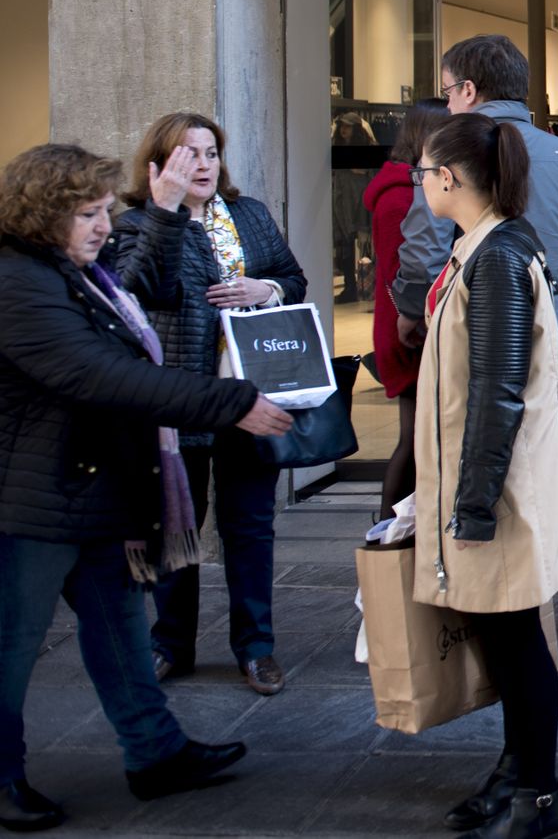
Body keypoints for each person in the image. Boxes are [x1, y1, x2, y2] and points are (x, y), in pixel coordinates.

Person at [0, 144, 293, 830]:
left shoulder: (74, 273)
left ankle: (156, 754)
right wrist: (229, 402)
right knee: (11, 647)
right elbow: (100, 375)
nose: (103, 225)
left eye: (105, 210)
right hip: (35, 500)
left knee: (122, 632)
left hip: (91, 489)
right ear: (44, 217)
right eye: (87, 214)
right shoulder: (19, 283)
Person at [397, 35, 558, 644]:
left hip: (473, 339)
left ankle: (485, 603)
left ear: (468, 90)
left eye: (448, 91)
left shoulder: (450, 159)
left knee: (477, 456)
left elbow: (422, 253)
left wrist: (411, 311)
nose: (446, 104)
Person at [410, 113, 558, 839]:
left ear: (449, 178)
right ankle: (516, 770)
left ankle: (539, 791)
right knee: (503, 639)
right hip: (483, 485)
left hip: (495, 492)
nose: (419, 181)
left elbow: (498, 390)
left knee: (517, 641)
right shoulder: (479, 250)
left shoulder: (497, 257)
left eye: (423, 171)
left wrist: (471, 505)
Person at [114, 112, 308, 697]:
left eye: (210, 152)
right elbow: (137, 287)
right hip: (184, 395)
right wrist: (164, 211)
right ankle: (171, 643)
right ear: (160, 164)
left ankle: (256, 648)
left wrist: (264, 289)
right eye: (188, 154)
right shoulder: (138, 223)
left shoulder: (246, 214)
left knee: (249, 524)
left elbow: (291, 278)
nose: (203, 164)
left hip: (251, 389)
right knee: (179, 523)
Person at [364, 98, 450, 522]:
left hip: (410, 323)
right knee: (415, 439)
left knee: (418, 436)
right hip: (409, 328)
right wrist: (415, 316)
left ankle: (395, 532)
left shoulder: (405, 188)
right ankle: (387, 533)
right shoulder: (402, 195)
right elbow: (405, 269)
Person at [331, 112, 378, 303]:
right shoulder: (337, 146)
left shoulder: (369, 147)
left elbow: (372, 173)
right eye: (342, 125)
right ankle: (350, 286)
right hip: (343, 200)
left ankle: (369, 285)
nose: (344, 130)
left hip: (361, 200)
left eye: (348, 126)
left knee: (367, 245)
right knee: (344, 246)